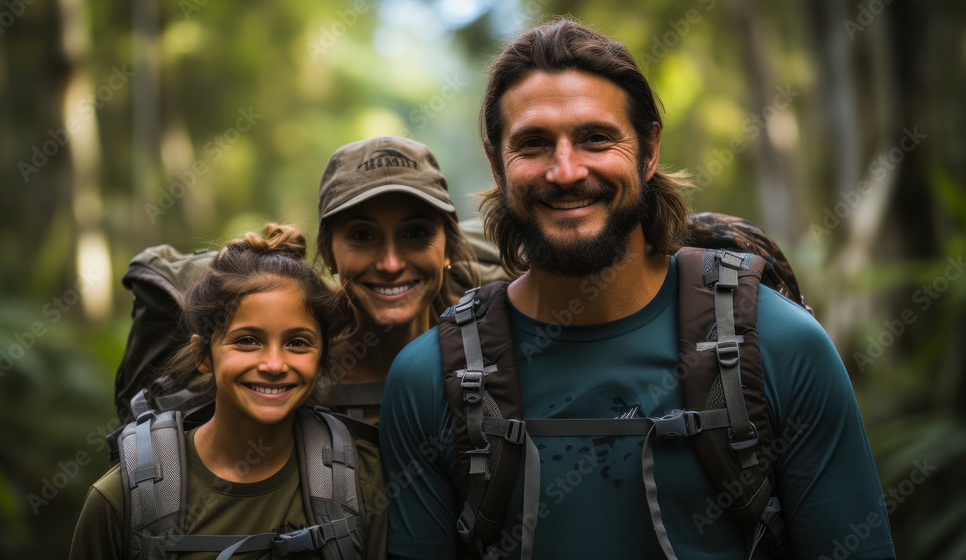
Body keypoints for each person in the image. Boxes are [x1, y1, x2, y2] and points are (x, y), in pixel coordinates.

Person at [379, 18, 895, 560]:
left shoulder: (783, 347)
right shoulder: (427, 381)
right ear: (497, 164)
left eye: (595, 138)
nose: (565, 171)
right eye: (532, 144)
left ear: (649, 151)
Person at [71, 223, 387, 559]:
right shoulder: (123, 501)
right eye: (247, 341)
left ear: (323, 358)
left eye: (298, 343)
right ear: (203, 355)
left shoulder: (360, 481)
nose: (274, 364)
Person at [315, 136, 483, 423]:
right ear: (328, 255)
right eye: (363, 236)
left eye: (416, 233)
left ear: (449, 249)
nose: (391, 264)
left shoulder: (494, 350)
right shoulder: (298, 373)